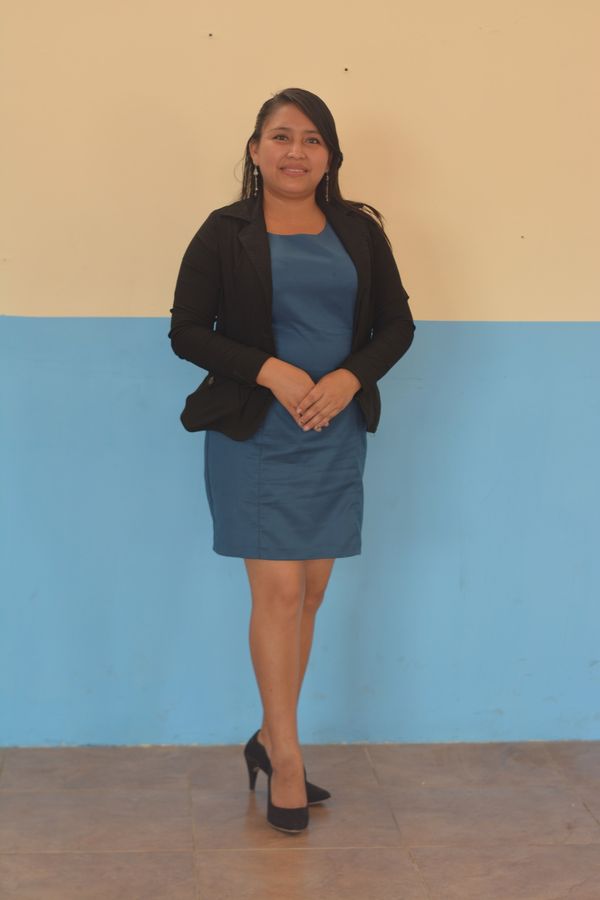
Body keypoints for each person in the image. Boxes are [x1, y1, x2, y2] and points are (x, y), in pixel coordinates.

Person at [169, 87, 415, 833]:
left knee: (309, 594)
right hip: (254, 433)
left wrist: (349, 379)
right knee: (277, 594)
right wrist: (270, 370)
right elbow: (187, 331)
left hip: (332, 431)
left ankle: (268, 735)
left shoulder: (359, 231)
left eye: (311, 139)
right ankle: (287, 760)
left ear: (330, 156)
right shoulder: (225, 231)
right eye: (280, 136)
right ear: (255, 150)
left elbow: (397, 324)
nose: (295, 151)